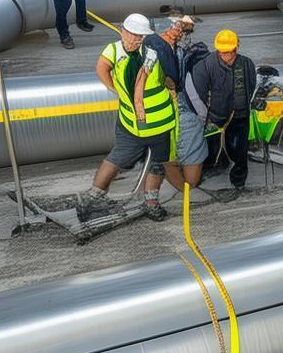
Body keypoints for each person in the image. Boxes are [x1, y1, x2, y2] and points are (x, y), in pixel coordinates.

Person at [77, 14, 175, 222]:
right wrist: (115, 89)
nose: (135, 39)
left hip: (159, 123)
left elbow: (169, 79)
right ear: (122, 31)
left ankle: (151, 202)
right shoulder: (114, 50)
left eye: (140, 36)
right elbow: (102, 67)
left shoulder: (152, 51)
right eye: (132, 34)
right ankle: (92, 199)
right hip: (132, 124)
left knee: (158, 163)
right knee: (118, 158)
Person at [144, 15, 205, 190]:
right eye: (173, 29)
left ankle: (173, 177)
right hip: (162, 115)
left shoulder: (181, 52)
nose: (177, 33)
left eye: (179, 30)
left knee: (191, 180)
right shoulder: (151, 54)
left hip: (183, 114)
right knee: (165, 161)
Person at [191, 29, 255, 189]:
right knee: (209, 151)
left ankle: (239, 183)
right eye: (222, 52)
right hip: (214, 118)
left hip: (240, 116)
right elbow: (199, 95)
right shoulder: (205, 66)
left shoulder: (247, 64)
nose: (226, 55)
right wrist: (206, 118)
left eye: (229, 51)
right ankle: (202, 177)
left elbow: (251, 86)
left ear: (236, 48)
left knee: (240, 151)